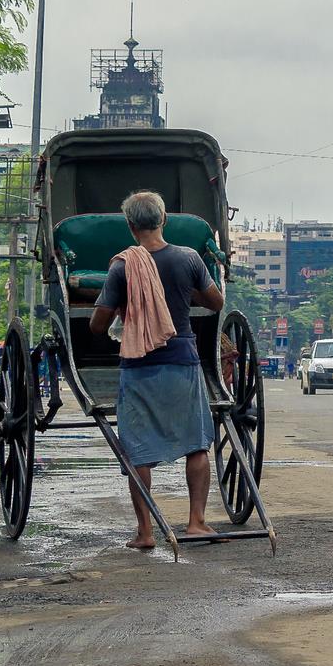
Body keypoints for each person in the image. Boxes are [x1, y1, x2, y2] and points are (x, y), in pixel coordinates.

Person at [88, 190, 224, 551]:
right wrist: (183, 295)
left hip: (138, 365)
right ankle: (196, 522)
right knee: (197, 443)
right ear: (163, 220)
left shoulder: (122, 266)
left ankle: (146, 532)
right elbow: (215, 303)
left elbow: (98, 327)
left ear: (131, 226)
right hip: (183, 360)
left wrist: (124, 311)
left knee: (138, 450)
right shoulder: (189, 259)